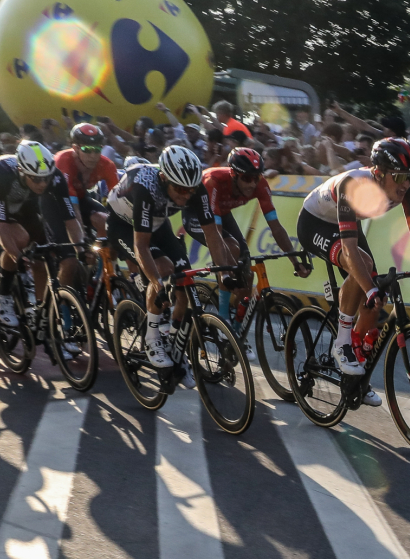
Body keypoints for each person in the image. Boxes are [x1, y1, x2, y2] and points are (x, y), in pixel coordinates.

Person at [296, 138, 410, 403]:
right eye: (399, 176)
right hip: (315, 223)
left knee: (374, 302)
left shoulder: (405, 187)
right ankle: (342, 344)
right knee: (366, 271)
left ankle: (356, 380)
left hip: (347, 223)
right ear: (379, 173)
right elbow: (349, 250)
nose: (405, 183)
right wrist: (368, 289)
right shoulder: (353, 185)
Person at [107, 146, 227, 382]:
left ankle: (175, 345)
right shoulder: (145, 186)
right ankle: (152, 339)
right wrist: (157, 283)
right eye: (180, 189)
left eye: (191, 190)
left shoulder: (194, 187)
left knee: (185, 282)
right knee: (162, 269)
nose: (186, 196)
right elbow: (141, 245)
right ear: (164, 178)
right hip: (123, 225)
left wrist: (224, 273)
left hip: (157, 222)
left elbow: (212, 233)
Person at [186, 148, 310, 359]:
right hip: (198, 214)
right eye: (247, 178)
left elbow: (276, 227)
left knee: (247, 276)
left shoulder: (260, 185)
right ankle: (223, 319)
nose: (252, 183)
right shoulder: (213, 181)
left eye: (256, 177)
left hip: (223, 214)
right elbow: (215, 235)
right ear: (234, 174)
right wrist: (225, 272)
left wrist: (294, 260)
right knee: (230, 249)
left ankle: (237, 333)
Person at [0, 143, 85, 339]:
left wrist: (80, 248)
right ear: (21, 171)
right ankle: (4, 294)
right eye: (36, 178)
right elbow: (1, 226)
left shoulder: (55, 176)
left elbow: (70, 219)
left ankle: (39, 310)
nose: (43, 183)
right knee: (19, 238)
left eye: (46, 178)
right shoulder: (2, 174)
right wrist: (17, 255)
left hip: (23, 203)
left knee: (40, 257)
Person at [53, 124, 120, 239]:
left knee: (105, 220)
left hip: (81, 198)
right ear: (75, 148)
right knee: (73, 237)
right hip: (57, 202)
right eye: (87, 150)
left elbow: (118, 201)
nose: (93, 156)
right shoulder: (63, 160)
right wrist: (81, 237)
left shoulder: (107, 165)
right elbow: (70, 203)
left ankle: (103, 248)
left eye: (97, 149)